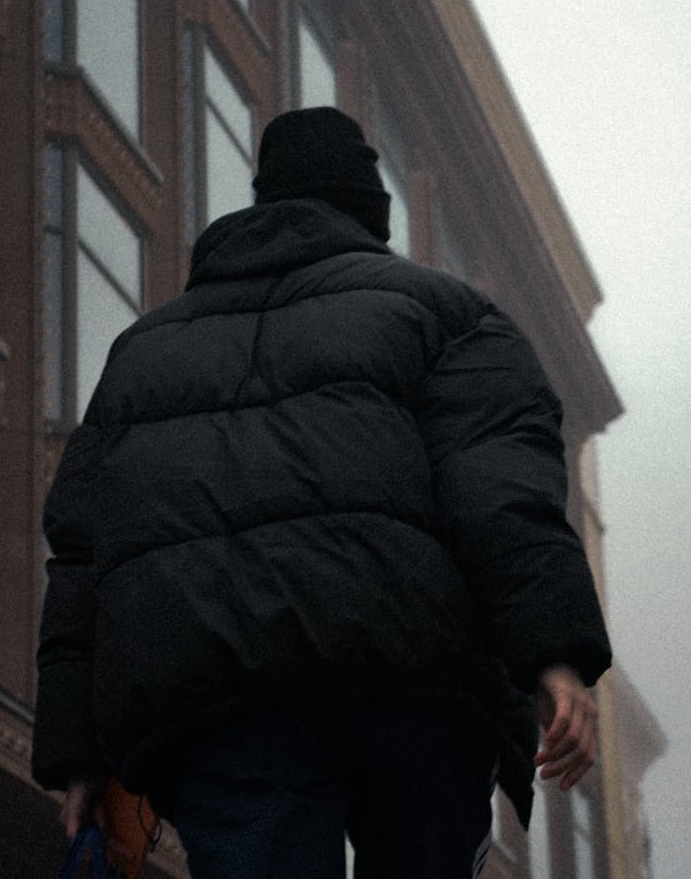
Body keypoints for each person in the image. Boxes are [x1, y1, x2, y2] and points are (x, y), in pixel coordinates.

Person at [32, 107, 611, 879]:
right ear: (373, 212)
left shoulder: (141, 354)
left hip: (222, 707)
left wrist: (79, 756)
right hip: (413, 687)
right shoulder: (451, 318)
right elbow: (499, 493)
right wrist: (556, 656)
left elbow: (82, 558)